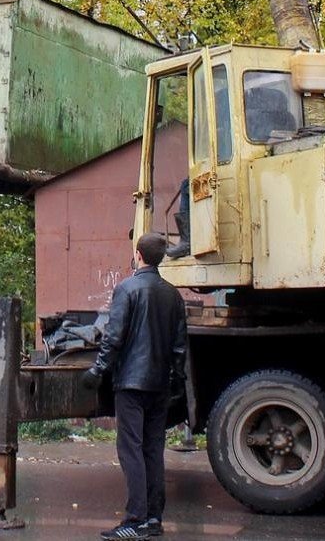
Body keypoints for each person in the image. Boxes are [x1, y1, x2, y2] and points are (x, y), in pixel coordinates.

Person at [84, 231, 188, 539]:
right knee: (154, 449)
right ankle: (153, 519)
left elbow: (114, 337)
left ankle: (134, 520)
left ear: (138, 255)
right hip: (160, 384)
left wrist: (97, 371)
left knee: (130, 448)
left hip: (131, 383)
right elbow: (180, 346)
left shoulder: (126, 289)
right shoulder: (173, 295)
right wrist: (178, 381)